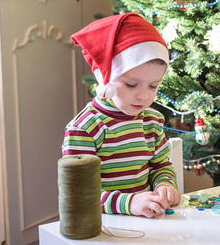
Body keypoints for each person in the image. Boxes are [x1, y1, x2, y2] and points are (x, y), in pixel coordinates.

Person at [62, 13, 181, 218]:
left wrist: (165, 185)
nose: (143, 96)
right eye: (131, 84)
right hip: (103, 228)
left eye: (153, 86)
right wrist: (129, 202)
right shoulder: (85, 128)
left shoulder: (151, 122)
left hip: (147, 224)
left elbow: (161, 166)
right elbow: (80, 193)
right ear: (106, 79)